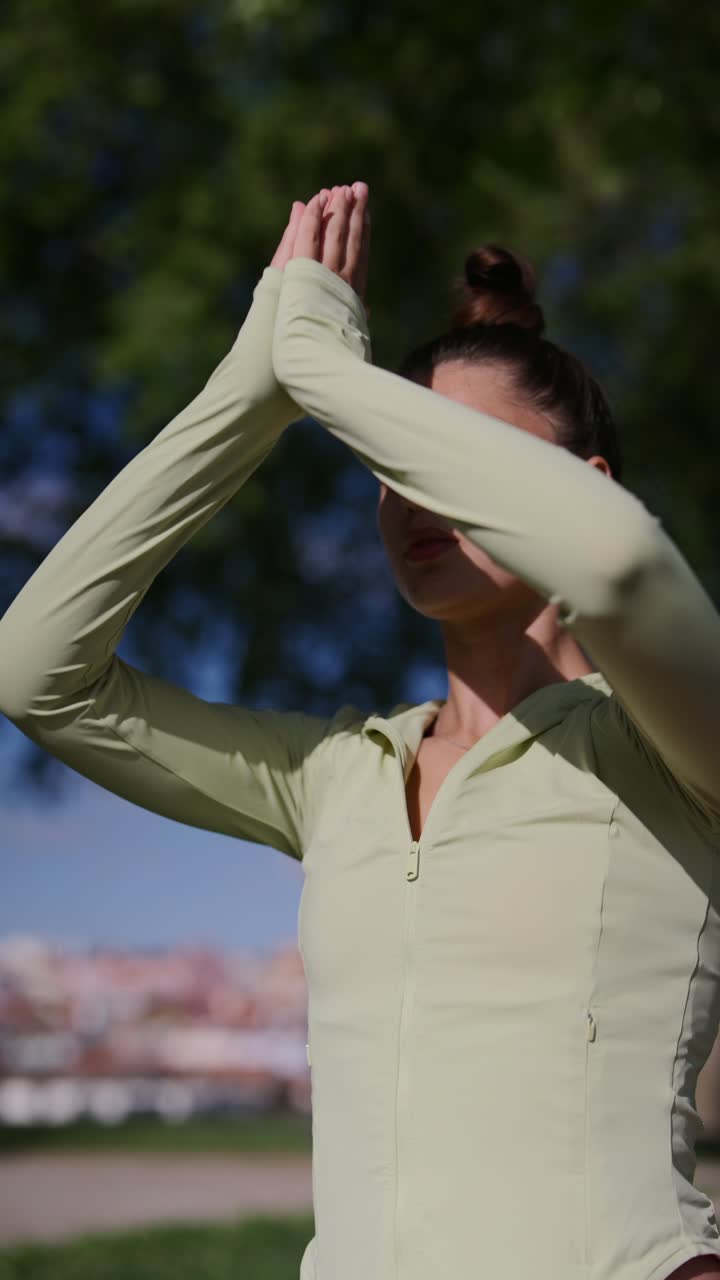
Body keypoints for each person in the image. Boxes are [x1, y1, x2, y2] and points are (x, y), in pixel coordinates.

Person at [1, 181, 720, 1280]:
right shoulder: (334, 775)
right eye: (389, 460)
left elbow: (617, 561)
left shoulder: (674, 744)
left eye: (448, 453)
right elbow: (35, 669)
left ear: (581, 483)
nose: (412, 488)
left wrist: (331, 372)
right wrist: (256, 382)